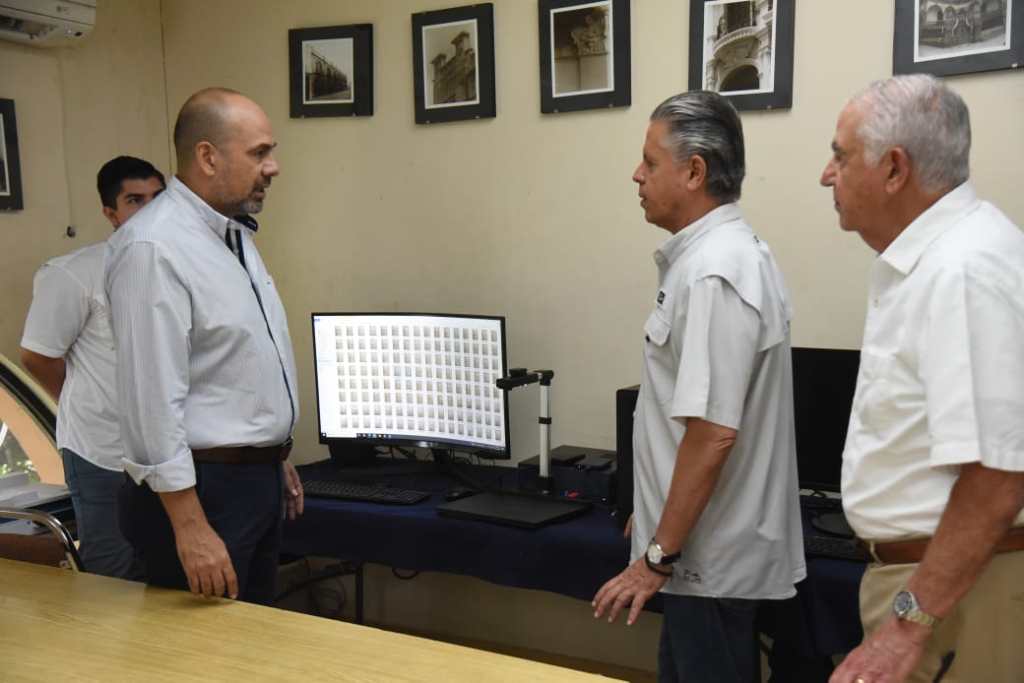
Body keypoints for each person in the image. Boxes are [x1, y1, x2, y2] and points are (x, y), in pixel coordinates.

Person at [592, 91, 805, 682]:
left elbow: (712, 434)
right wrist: (657, 508)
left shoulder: (716, 271)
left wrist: (659, 555)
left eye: (650, 162)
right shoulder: (712, 258)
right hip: (697, 548)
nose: (636, 175)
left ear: (694, 172)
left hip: (707, 560)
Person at [821, 74, 1024, 683]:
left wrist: (910, 625)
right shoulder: (940, 261)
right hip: (941, 587)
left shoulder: (962, 270)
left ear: (894, 168)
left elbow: (997, 477)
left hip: (960, 596)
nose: (827, 175)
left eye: (840, 155)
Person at [105, 88, 304, 605]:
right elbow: (151, 407)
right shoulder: (155, 248)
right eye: (259, 153)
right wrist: (190, 527)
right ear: (208, 157)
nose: (273, 167)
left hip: (246, 482)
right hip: (199, 496)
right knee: (203, 659)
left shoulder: (231, 235)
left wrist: (271, 453)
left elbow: (234, 364)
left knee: (251, 646)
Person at [20, 156, 165, 579]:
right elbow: (37, 356)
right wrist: (77, 400)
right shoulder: (75, 273)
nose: (150, 210)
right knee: (112, 579)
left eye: (159, 198)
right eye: (135, 200)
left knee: (168, 575)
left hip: (168, 452)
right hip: (102, 453)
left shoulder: (182, 266)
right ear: (110, 213)